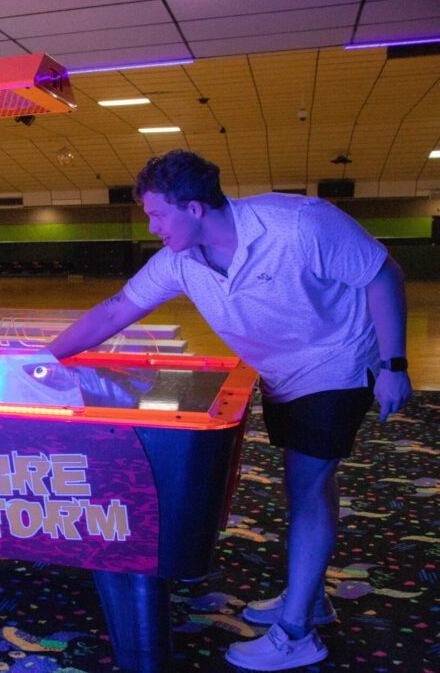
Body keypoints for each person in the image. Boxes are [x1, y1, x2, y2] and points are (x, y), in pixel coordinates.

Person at [46, 149, 411, 671]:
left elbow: (383, 273)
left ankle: (296, 633)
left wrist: (394, 363)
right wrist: (40, 360)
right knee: (307, 484)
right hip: (280, 374)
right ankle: (309, 598)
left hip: (338, 361)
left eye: (157, 215)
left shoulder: (298, 224)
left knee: (307, 485)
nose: (152, 228)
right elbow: (116, 310)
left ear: (194, 208)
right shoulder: (181, 260)